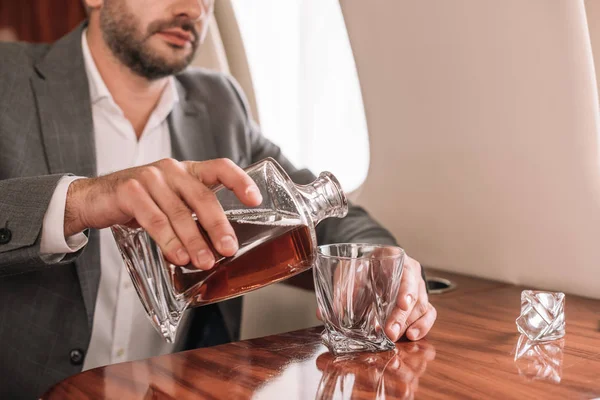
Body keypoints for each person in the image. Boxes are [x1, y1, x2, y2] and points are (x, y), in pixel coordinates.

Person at [0, 0, 437, 397]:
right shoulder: (9, 79)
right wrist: (81, 201)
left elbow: (332, 213)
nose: (193, 8)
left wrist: (387, 265)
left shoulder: (219, 102)